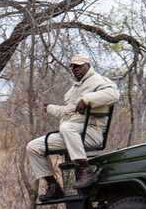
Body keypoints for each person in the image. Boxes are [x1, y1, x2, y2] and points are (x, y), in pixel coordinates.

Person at [26, 54, 120, 200]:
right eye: (73, 67)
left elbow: (113, 94)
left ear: (87, 65)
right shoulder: (76, 87)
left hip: (91, 132)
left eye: (79, 66)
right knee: (33, 147)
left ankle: (85, 169)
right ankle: (53, 186)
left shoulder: (98, 80)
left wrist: (87, 99)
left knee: (67, 128)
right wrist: (47, 107)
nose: (75, 69)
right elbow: (67, 111)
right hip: (71, 135)